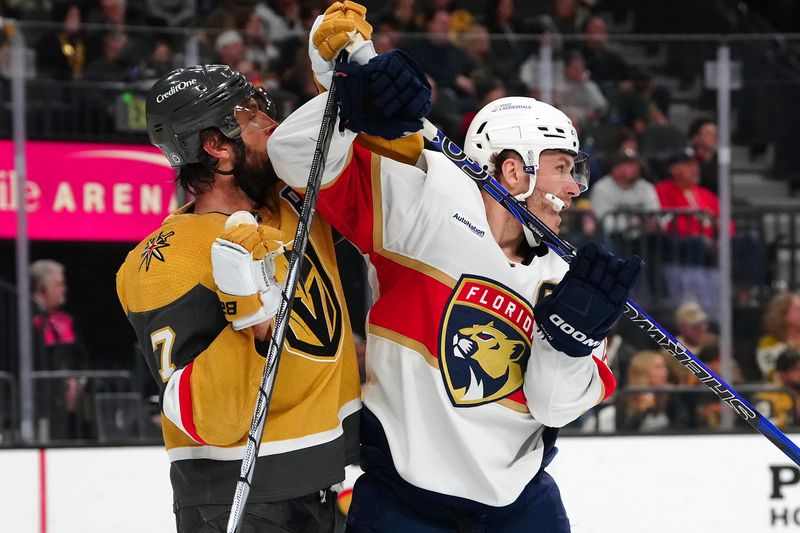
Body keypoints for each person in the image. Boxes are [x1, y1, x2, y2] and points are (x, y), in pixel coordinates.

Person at [269, 6, 642, 530]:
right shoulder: (427, 195)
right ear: (514, 169)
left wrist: (569, 342)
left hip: (519, 505)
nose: (576, 188)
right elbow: (292, 155)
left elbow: (554, 408)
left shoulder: (569, 279)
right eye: (564, 168)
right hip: (404, 502)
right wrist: (348, 101)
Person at [116, 62, 362, 532]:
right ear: (216, 147)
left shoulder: (291, 202)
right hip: (237, 501)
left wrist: (340, 71)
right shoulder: (163, 260)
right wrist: (252, 318)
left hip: (326, 485)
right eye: (252, 117)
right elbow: (203, 416)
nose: (271, 124)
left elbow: (339, 138)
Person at [30, 259, 92, 440]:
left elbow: (81, 357)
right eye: (59, 284)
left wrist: (78, 381)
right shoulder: (25, 320)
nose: (63, 289)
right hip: (43, 402)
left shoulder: (66, 320)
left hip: (72, 405)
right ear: (42, 288)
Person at [589, 147, 659, 236]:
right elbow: (607, 225)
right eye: (630, 164)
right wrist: (637, 222)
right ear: (615, 168)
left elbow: (654, 216)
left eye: (636, 164)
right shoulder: (601, 188)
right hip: (614, 241)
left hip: (643, 242)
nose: (636, 168)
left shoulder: (646, 187)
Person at [756, 291, 800, 381]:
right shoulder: (769, 343)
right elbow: (774, 376)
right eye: (797, 309)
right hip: (781, 392)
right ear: (783, 314)